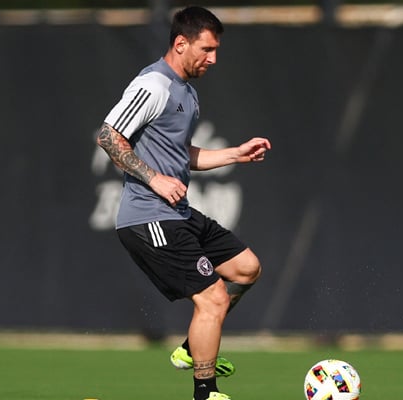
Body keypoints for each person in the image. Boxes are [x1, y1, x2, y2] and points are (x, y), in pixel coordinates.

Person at [96, 6, 271, 400]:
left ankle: (192, 349)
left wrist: (235, 155)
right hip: (147, 218)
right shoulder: (153, 85)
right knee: (211, 298)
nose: (213, 58)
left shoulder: (187, 93)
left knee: (246, 269)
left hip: (177, 213)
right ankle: (205, 393)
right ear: (180, 43)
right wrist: (154, 177)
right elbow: (108, 136)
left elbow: (181, 154)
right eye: (207, 49)